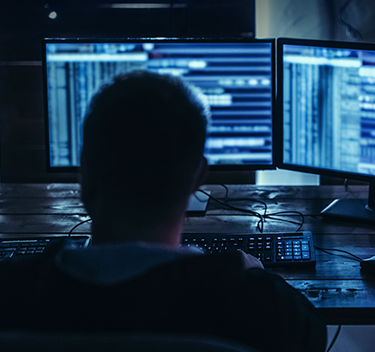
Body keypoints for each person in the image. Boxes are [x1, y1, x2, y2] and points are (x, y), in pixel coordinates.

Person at [0, 71, 327, 352]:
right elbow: (314, 337)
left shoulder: (12, 292)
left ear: (85, 170)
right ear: (198, 177)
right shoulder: (261, 306)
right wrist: (256, 274)